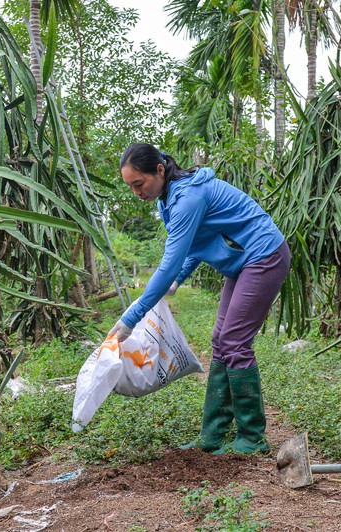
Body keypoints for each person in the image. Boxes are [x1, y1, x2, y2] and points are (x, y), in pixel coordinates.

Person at [108, 142, 290, 454]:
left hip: (263, 255)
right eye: (131, 187)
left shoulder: (187, 198)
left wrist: (131, 318)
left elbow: (169, 261)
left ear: (160, 171)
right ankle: (213, 435)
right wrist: (179, 279)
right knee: (221, 341)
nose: (137, 192)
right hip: (242, 262)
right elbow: (197, 241)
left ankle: (252, 437)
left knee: (234, 342)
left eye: (139, 184)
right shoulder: (169, 197)